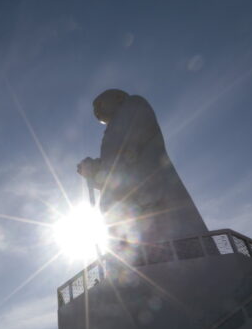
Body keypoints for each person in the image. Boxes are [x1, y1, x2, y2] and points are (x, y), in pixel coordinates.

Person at [78, 89, 208, 245]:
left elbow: (132, 142)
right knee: (136, 240)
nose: (96, 111)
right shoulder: (109, 132)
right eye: (94, 108)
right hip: (129, 202)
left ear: (118, 98)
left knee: (171, 230)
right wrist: (94, 169)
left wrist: (102, 167)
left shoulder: (133, 104)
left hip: (150, 183)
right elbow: (112, 169)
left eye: (99, 104)